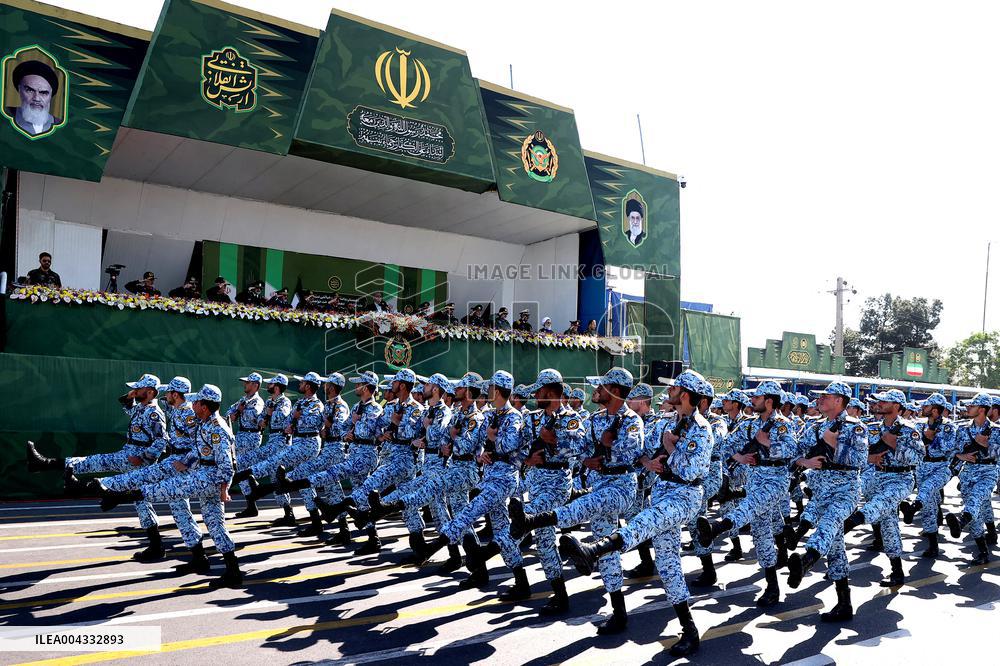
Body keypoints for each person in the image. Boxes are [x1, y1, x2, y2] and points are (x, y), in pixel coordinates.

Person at [559, 369, 713, 658]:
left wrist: (671, 449)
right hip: (664, 491)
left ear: (687, 395)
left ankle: (594, 551)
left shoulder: (701, 428)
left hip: (686, 494)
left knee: (644, 521)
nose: (669, 392)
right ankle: (690, 631)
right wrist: (651, 459)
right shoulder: (671, 422)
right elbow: (647, 455)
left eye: (675, 388)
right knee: (668, 566)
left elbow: (691, 470)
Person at [510, 368, 642, 635]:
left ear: (614, 391)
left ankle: (532, 519)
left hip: (620, 485)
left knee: (587, 504)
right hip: (599, 482)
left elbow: (634, 450)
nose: (596, 389)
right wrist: (587, 459)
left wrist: (608, 449)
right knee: (607, 552)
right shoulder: (595, 419)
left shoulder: (631, 420)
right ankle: (619, 613)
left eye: (602, 385)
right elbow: (582, 449)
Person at [95, 384, 244, 588]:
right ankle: (231, 571)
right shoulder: (206, 422)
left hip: (210, 478)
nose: (193, 405)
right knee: (215, 524)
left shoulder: (217, 428)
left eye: (197, 402)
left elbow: (227, 462)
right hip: (206, 473)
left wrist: (224, 488)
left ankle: (120, 496)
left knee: (169, 488)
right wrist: (187, 461)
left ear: (205, 406)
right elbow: (200, 451)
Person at [27, 374, 167, 561]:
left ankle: (46, 465)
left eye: (139, 389)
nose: (135, 391)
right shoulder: (142, 408)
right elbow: (127, 408)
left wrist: (142, 457)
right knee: (141, 504)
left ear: (150, 392)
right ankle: (156, 547)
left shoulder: (154, 413)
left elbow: (162, 442)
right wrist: (130, 396)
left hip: (137, 461)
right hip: (129, 455)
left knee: (97, 462)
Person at [699, 381, 798, 606]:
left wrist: (768, 445)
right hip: (755, 479)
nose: (752, 400)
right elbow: (725, 446)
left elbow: (793, 450)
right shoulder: (749, 425)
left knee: (753, 506)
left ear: (769, 401)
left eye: (757, 397)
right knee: (761, 531)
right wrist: (740, 458)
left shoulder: (783, 425)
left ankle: (719, 527)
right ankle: (772, 585)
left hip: (775, 480)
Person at [785, 381, 869, 622]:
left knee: (830, 524)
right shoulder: (815, 426)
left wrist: (834, 445)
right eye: (820, 397)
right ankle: (844, 603)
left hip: (845, 491)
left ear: (840, 401)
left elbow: (860, 460)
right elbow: (794, 452)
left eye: (826, 396)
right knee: (835, 548)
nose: (820, 400)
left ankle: (806, 560)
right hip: (820, 492)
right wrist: (805, 462)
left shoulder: (855, 428)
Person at [509, 369, 585, 613]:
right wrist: (527, 458)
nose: (536, 395)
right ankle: (560, 594)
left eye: (540, 391)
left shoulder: (570, 418)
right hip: (536, 481)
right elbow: (519, 446)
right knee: (543, 541)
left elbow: (578, 448)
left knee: (520, 524)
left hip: (557, 483)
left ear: (551, 392)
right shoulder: (533, 418)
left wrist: (554, 442)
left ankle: (486, 552)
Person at [841, 389, 923, 586]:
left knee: (883, 502)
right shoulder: (873, 427)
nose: (878, 404)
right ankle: (897, 570)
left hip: (900, 478)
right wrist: (870, 457)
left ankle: (853, 520)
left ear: (896, 406)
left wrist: (895, 446)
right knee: (888, 521)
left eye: (884, 402)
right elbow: (863, 455)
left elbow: (919, 458)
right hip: (878, 476)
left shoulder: (908, 429)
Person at [943, 393, 1000, 566]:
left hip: (988, 472)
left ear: (982, 409)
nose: (967, 408)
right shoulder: (962, 429)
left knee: (976, 498)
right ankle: (982, 550)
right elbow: (951, 451)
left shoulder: (996, 430)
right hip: (967, 473)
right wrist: (962, 455)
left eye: (971, 406)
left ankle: (961, 520)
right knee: (975, 512)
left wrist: (987, 446)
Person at [224, 373, 265, 515]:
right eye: (245, 382)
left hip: (251, 435)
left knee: (240, 468)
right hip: (241, 435)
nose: (244, 385)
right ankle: (251, 505)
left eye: (248, 383)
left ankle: (254, 493)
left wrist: (241, 412)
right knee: (241, 470)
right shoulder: (243, 400)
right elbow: (229, 415)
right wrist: (238, 411)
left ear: (255, 385)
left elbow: (258, 418)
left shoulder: (257, 401)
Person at [6, 60, 62, 137]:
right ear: (19, 90)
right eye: (30, 90)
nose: (37, 98)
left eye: (43, 93)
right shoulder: (5, 115)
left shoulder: (59, 124)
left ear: (50, 95)